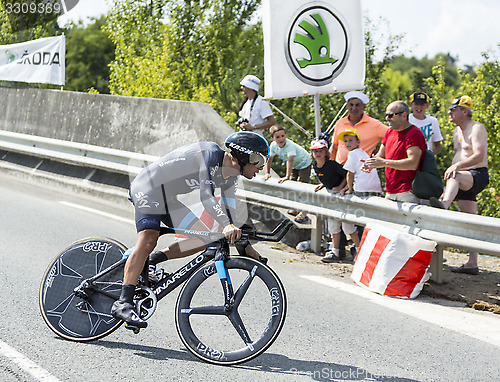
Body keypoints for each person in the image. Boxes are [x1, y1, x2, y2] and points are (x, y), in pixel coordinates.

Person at [111, 132, 270, 327]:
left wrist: (247, 248)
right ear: (242, 155)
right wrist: (227, 225)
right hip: (148, 188)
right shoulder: (210, 154)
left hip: (168, 199)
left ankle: (149, 261)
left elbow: (230, 217)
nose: (261, 167)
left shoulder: (231, 179)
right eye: (258, 160)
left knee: (203, 239)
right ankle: (123, 302)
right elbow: (207, 196)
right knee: (149, 239)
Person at [429, 96, 489, 275]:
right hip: (463, 179)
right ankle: (472, 263)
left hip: (477, 174)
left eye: (453, 109)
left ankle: (444, 207)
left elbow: (478, 156)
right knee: (469, 221)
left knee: (453, 175)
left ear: (465, 111)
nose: (449, 112)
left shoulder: (476, 128)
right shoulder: (457, 131)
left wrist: (456, 167)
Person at [362, 101, 426, 203]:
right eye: (386, 115)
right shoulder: (389, 132)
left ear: (404, 115)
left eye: (391, 115)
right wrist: (370, 163)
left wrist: (384, 163)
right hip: (390, 190)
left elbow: (413, 163)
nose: (387, 119)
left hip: (407, 192)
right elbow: (380, 156)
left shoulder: (414, 133)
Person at [309, 139, 354, 262]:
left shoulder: (332, 164)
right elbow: (326, 177)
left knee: (348, 227)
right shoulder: (315, 166)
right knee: (333, 226)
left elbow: (347, 174)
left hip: (342, 196)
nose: (318, 154)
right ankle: (335, 252)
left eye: (320, 151)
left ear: (325, 152)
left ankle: (359, 251)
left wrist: (341, 187)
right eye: (315, 151)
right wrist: (323, 184)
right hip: (332, 199)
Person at [262, 124, 312, 223]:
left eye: (282, 136)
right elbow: (269, 159)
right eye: (277, 137)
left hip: (304, 163)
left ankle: (304, 212)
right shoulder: (273, 146)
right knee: (292, 186)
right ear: (272, 138)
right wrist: (267, 172)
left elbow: (290, 160)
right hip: (295, 166)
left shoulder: (289, 146)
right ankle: (296, 207)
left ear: (286, 135)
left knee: (302, 186)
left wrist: (287, 176)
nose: (281, 139)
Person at [330, 90, 388, 165]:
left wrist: (379, 154)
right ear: (347, 106)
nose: (354, 108)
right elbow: (334, 146)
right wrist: (330, 167)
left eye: (357, 105)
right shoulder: (340, 123)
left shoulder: (375, 125)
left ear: (364, 107)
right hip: (339, 170)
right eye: (351, 105)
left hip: (361, 171)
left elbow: (393, 136)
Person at [338, 128, 383, 198]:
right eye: (345, 141)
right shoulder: (363, 153)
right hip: (376, 188)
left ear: (358, 142)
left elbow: (350, 174)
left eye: (350, 140)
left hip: (362, 189)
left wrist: (350, 189)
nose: (347, 143)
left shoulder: (352, 153)